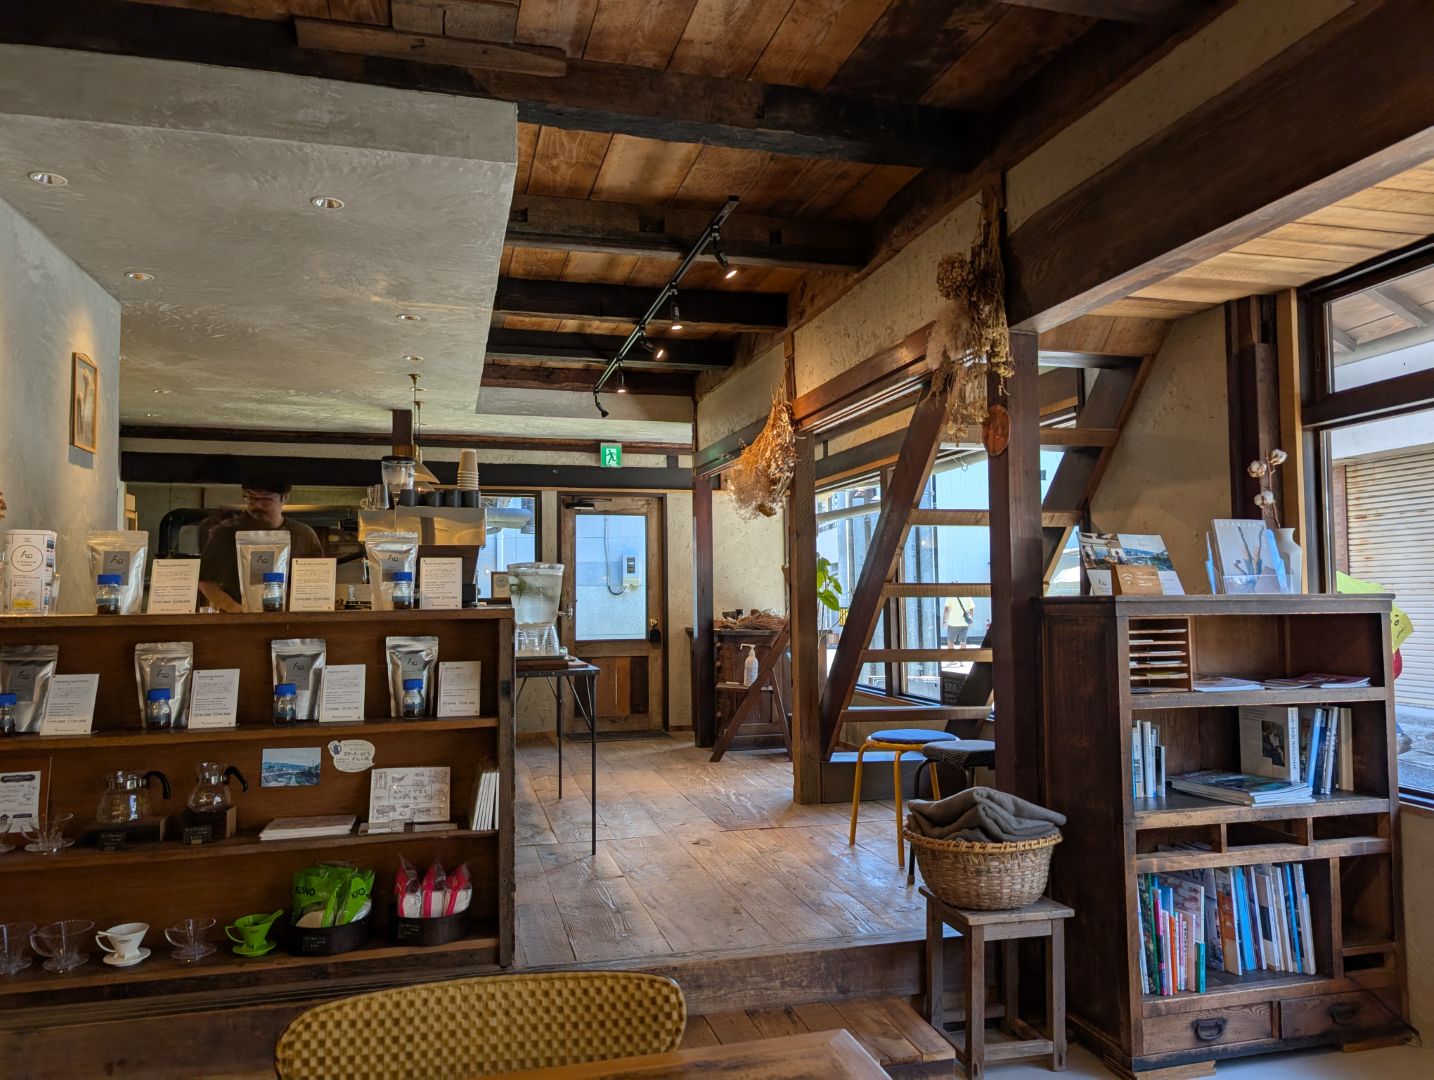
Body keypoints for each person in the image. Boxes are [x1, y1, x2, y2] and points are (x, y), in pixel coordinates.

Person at [198, 472, 323, 612]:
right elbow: (205, 580)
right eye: (251, 499)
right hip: (235, 616)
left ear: (285, 497)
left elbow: (316, 579)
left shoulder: (303, 535)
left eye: (265, 500)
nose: (257, 505)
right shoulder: (225, 532)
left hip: (288, 616)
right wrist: (231, 607)